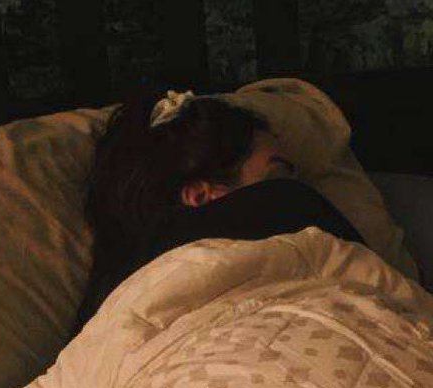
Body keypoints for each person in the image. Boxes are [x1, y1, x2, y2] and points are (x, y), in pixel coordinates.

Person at [78, 87, 366, 325]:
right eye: (278, 176)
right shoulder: (288, 203)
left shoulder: (103, 306)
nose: (303, 189)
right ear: (200, 196)